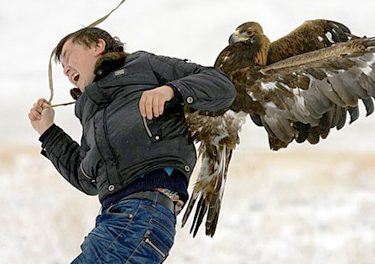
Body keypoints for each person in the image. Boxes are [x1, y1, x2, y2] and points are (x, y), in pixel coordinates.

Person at [28, 27, 236, 263]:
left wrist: (172, 90)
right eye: (62, 67)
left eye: (68, 56)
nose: (65, 69)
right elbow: (86, 179)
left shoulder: (143, 65)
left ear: (98, 46)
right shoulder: (90, 110)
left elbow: (222, 85)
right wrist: (48, 132)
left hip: (142, 212)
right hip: (116, 218)